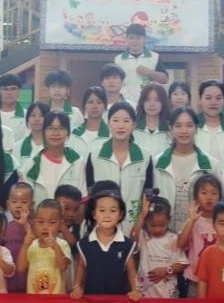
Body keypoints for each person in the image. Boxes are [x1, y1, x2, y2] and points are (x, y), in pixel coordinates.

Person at [158, 107, 224, 233]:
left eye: (189, 125)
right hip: (164, 234)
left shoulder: (211, 164)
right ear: (171, 128)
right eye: (178, 125)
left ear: (196, 128)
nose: (184, 131)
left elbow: (221, 201)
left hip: (201, 234)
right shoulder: (157, 163)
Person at [86, 101, 154, 229]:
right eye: (116, 120)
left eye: (126, 121)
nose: (121, 126)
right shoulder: (95, 156)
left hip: (133, 225)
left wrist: (140, 224)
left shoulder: (145, 156)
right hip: (101, 226)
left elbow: (148, 195)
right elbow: (90, 195)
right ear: (108, 123)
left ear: (134, 125)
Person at [71, 189, 141, 300]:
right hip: (91, 301)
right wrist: (77, 287)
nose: (107, 215)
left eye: (113, 211)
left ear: (120, 214)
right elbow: (81, 267)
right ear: (94, 214)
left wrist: (135, 290)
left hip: (118, 301)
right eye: (102, 210)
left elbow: (131, 270)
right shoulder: (84, 244)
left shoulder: (127, 244)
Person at [176, 174, 222, 298]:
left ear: (220, 197)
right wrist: (192, 220)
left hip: (219, 277)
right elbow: (180, 244)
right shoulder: (193, 221)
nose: (209, 197)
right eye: (204, 193)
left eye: (214, 193)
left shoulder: (222, 221)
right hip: (196, 278)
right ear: (196, 197)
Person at [133, 197, 187, 298]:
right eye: (153, 225)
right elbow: (133, 238)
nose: (157, 230)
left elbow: (182, 264)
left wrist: (167, 270)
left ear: (168, 220)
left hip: (168, 295)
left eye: (162, 225)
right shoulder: (143, 236)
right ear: (146, 222)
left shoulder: (174, 239)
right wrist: (141, 216)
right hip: (145, 294)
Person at [23, 110, 83, 199]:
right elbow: (25, 200)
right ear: (44, 132)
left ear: (68, 132)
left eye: (61, 128)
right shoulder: (31, 164)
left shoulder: (77, 161)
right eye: (50, 128)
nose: (55, 133)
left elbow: (82, 199)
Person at [18, 198, 71, 295]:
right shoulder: (32, 245)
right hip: (34, 300)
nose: (45, 227)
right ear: (34, 223)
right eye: (41, 222)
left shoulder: (62, 244)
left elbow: (63, 266)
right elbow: (21, 268)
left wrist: (55, 246)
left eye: (52, 222)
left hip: (56, 299)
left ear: (60, 225)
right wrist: (25, 245)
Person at [195, 79, 224, 180]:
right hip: (196, 186)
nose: (213, 102)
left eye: (218, 98)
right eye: (208, 98)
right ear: (200, 100)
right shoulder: (192, 126)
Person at [116, 23, 168, 99]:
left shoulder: (155, 57)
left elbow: (165, 79)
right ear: (126, 39)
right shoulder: (118, 59)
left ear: (144, 39)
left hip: (147, 102)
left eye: (138, 38)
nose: (135, 41)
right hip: (124, 101)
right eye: (131, 38)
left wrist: (150, 72)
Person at [2, 182, 34, 293]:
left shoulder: (33, 224)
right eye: (14, 201)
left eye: (24, 202)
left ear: (32, 204)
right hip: (9, 271)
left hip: (26, 270)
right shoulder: (6, 225)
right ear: (8, 204)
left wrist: (25, 224)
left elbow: (33, 238)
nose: (18, 205)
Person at [70, 86, 110, 159]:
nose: (95, 106)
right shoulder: (75, 133)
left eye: (99, 102)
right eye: (90, 102)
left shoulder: (111, 134)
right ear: (84, 105)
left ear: (105, 106)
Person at [133, 83, 171, 157]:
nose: (152, 104)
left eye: (157, 100)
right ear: (142, 102)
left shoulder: (170, 128)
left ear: (163, 103)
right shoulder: (133, 127)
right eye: (147, 100)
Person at [0, 73, 29, 143]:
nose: (9, 93)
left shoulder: (28, 115)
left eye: (13, 89)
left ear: (20, 90)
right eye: (5, 89)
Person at [15, 101, 50, 166]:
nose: (37, 119)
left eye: (42, 115)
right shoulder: (18, 146)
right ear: (28, 119)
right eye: (33, 115)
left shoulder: (56, 146)